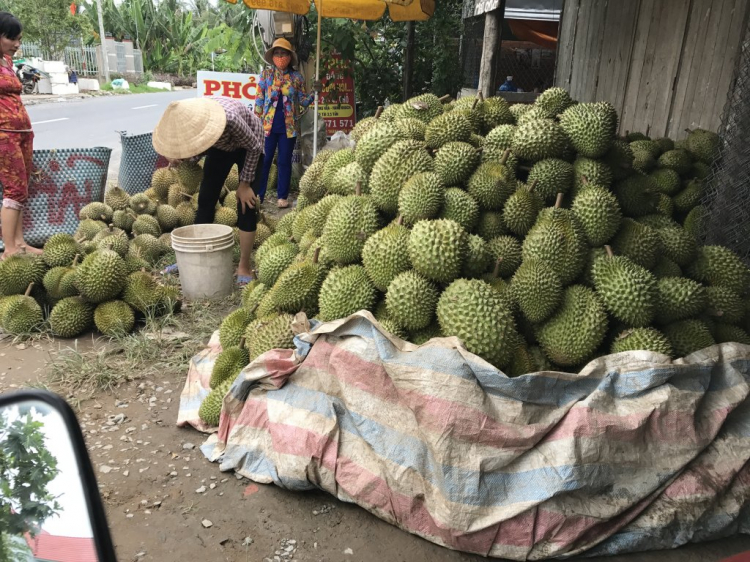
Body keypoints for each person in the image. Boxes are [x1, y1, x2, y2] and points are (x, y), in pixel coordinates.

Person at [152, 96, 264, 286]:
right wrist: (184, 158)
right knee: (205, 199)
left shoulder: (229, 119)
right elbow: (199, 146)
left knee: (246, 205)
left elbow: (254, 146)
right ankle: (190, 257)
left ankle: (244, 265)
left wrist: (244, 184)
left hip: (249, 145)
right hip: (220, 146)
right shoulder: (191, 126)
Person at [254, 38, 318, 209]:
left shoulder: (296, 77)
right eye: (277, 53)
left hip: (288, 127)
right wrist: (255, 121)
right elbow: (259, 99)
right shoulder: (266, 75)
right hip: (267, 126)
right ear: (273, 56)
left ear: (290, 56)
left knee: (283, 161)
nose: (280, 56)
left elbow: (303, 101)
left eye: (283, 53)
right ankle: (258, 195)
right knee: (265, 160)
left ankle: (282, 196)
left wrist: (314, 93)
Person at [0, 12, 40, 259]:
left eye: (19, 39)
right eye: (10, 38)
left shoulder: (6, 62)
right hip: (3, 134)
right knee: (13, 189)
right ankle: (10, 249)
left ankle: (21, 243)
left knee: (22, 188)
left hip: (22, 131)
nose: (16, 44)